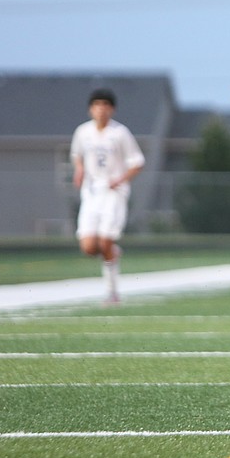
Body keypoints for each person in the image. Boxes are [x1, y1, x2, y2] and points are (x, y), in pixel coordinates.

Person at [70, 88, 145, 304]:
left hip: (113, 193)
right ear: (90, 109)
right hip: (91, 192)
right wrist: (79, 169)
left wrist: (121, 179)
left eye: (105, 105)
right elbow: (76, 155)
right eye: (97, 105)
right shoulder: (83, 132)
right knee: (88, 247)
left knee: (104, 241)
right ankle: (112, 251)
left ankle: (112, 293)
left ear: (112, 109)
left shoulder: (119, 133)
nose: (101, 109)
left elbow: (137, 162)